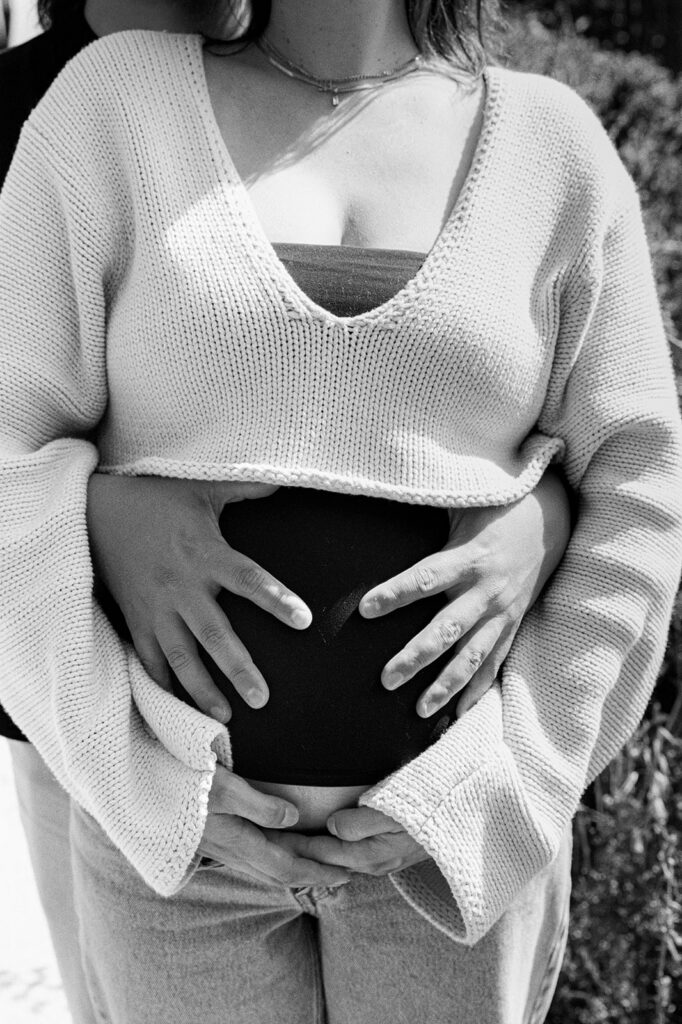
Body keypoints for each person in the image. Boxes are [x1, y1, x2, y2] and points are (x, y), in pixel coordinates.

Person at [0, 0, 680, 1021]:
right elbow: (10, 449)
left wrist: (501, 791)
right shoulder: (112, 107)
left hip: (450, 873)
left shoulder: (551, 146)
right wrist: (133, 776)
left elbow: (637, 485)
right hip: (183, 869)